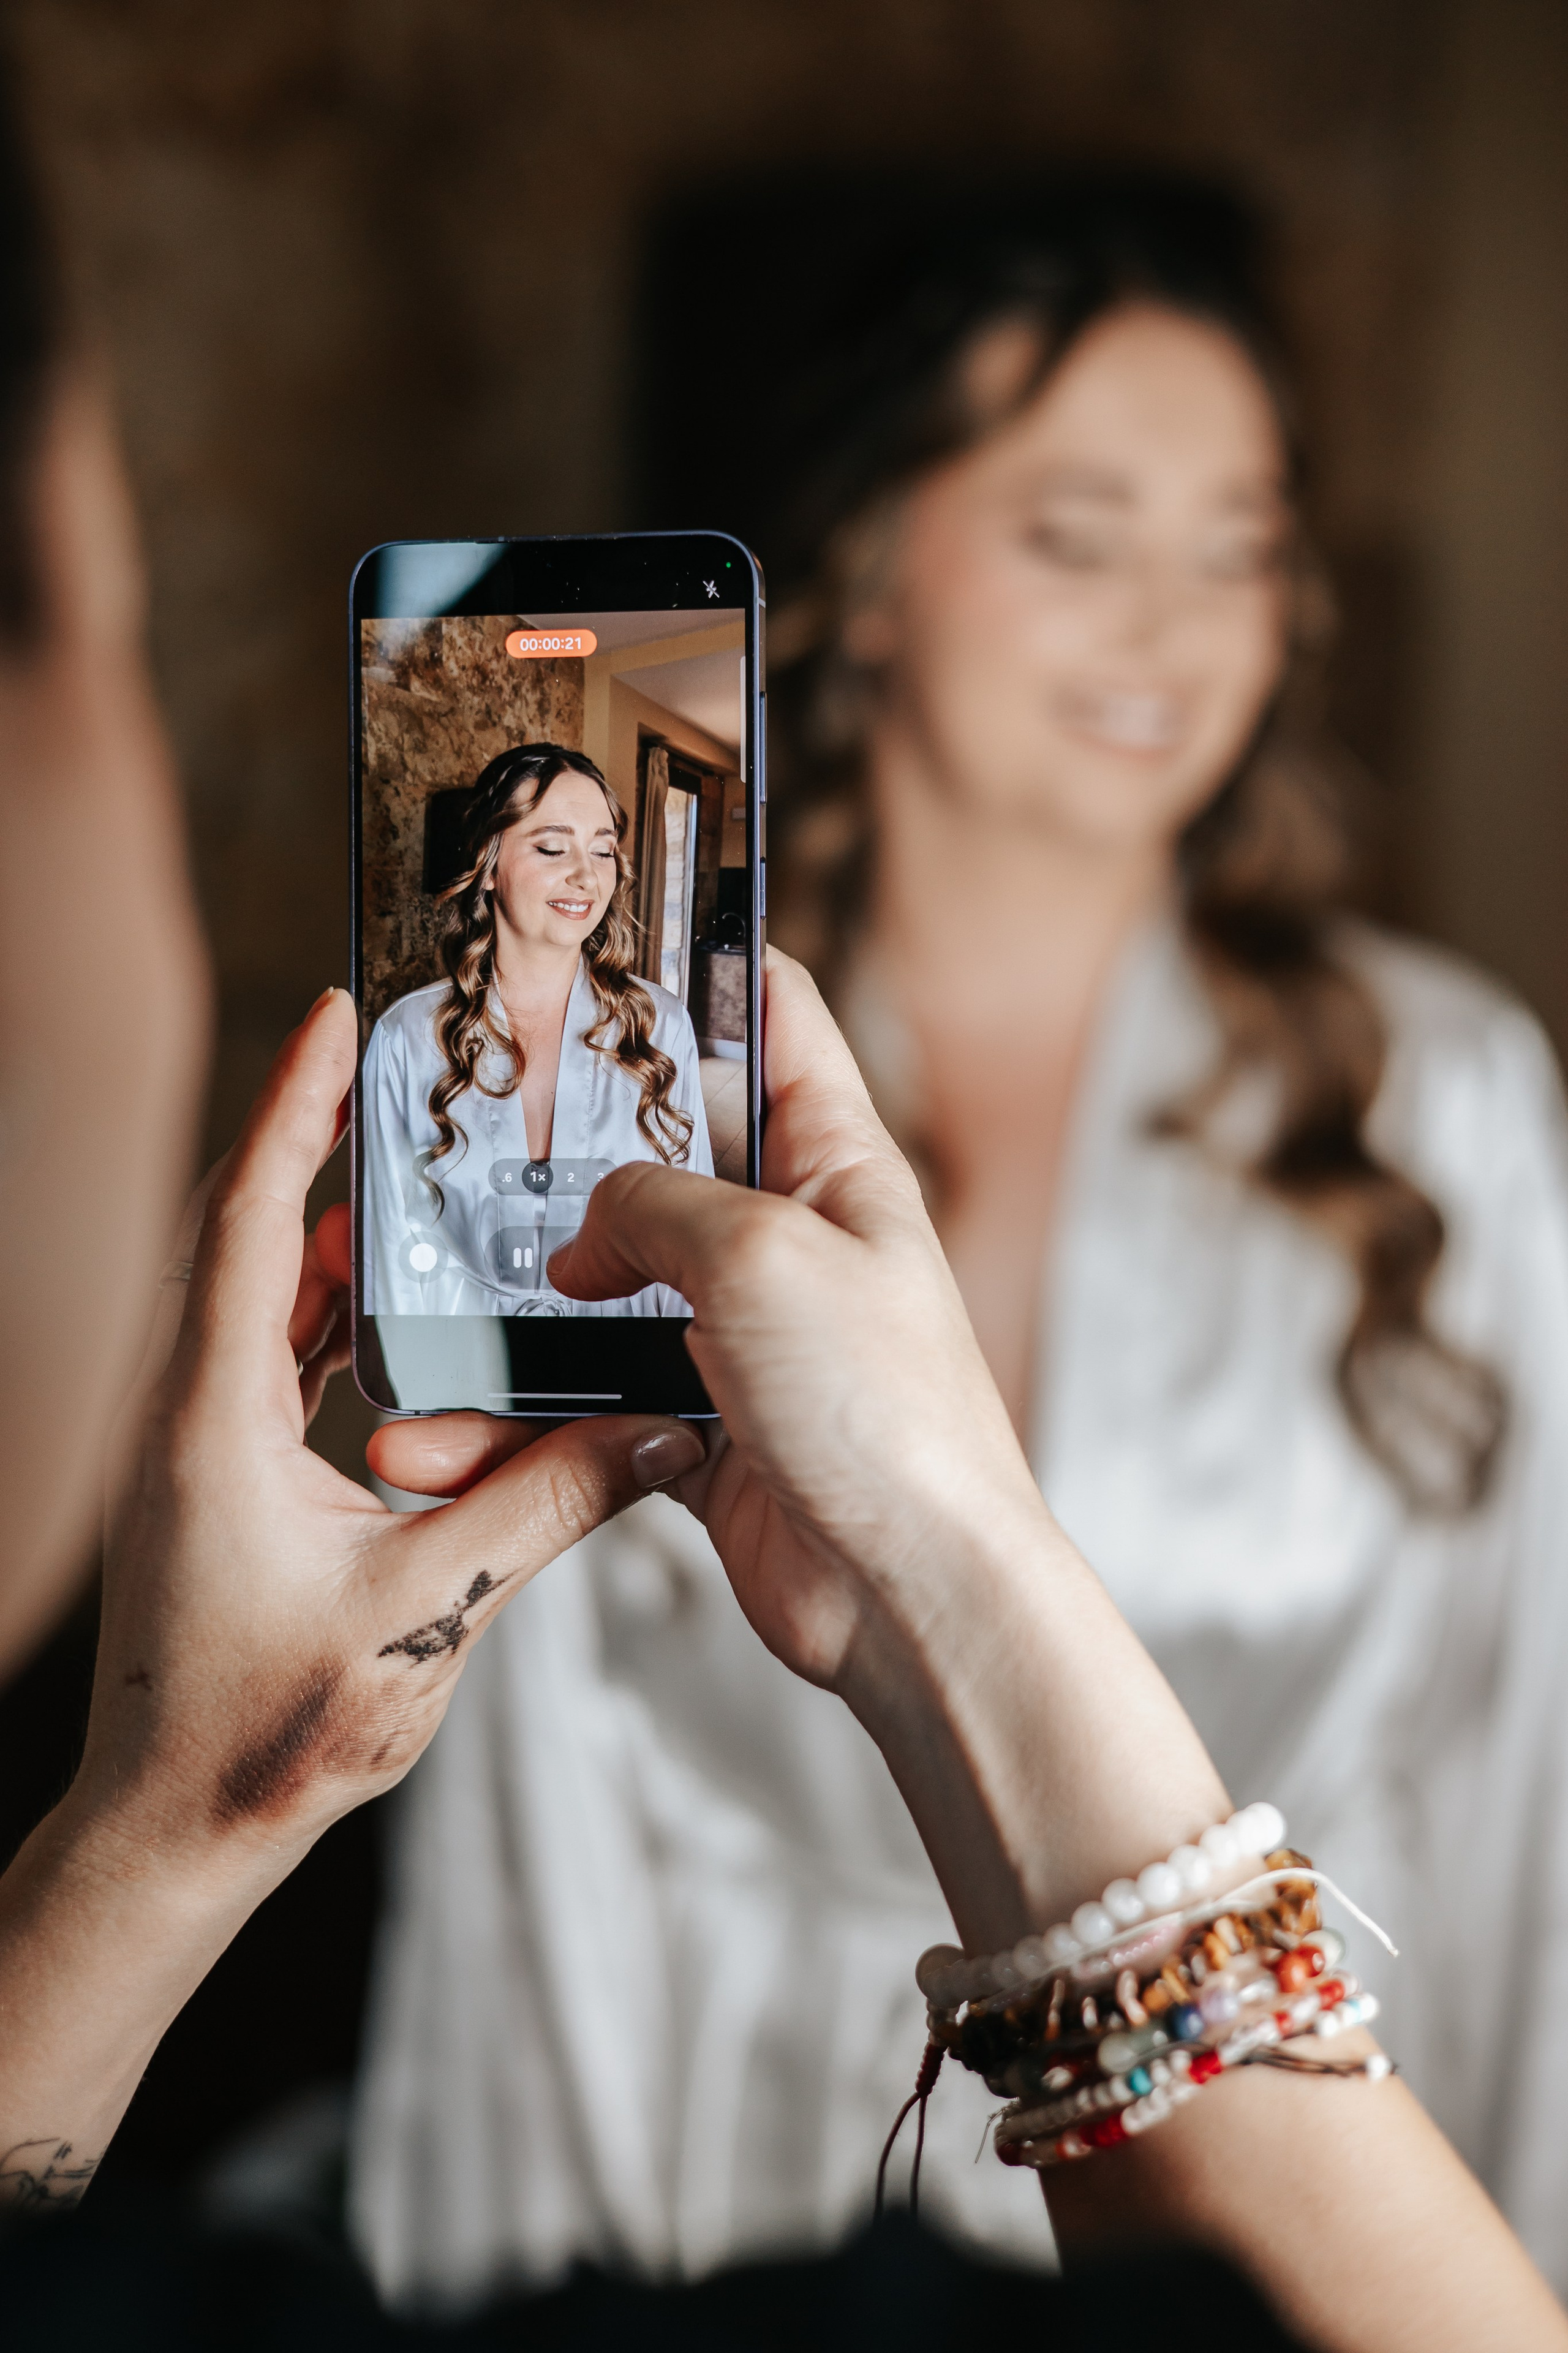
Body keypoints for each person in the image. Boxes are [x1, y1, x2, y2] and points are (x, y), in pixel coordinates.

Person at [350, 178, 1568, 2301]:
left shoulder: (1442, 1095)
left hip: (1273, 2205)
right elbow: (535, 1816)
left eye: (1246, 544)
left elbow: (1528, 1780)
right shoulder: (641, 1108)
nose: (1177, 627)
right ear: (870, 572)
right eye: (1079, 537)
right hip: (709, 2206)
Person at [363, 741, 712, 1319]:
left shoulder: (661, 1026)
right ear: (489, 863)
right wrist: (415, 1399)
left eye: (603, 852)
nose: (586, 876)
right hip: (464, 1377)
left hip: (629, 1374)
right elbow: (389, 1247)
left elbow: (689, 1234)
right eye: (552, 847)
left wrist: (676, 1391)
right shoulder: (407, 1036)